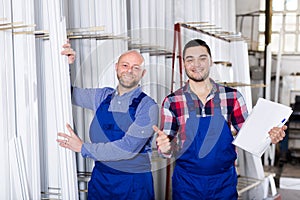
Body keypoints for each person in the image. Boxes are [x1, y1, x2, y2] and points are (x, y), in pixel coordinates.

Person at [153, 39, 287, 200]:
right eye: (190, 59)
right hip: (187, 184)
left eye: (202, 58)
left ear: (211, 61)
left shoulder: (232, 97)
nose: (197, 64)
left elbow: (250, 137)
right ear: (183, 64)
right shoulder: (172, 102)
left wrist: (270, 137)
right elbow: (166, 148)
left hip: (223, 183)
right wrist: (166, 147)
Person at [57, 44, 158, 200]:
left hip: (133, 185)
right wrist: (64, 65)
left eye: (136, 68)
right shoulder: (101, 96)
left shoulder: (148, 106)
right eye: (125, 65)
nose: (129, 70)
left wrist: (83, 148)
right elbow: (67, 93)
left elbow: (127, 148)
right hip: (101, 181)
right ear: (116, 67)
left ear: (143, 73)